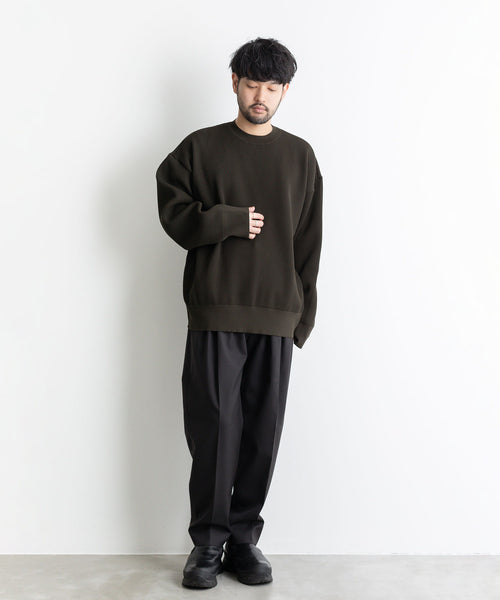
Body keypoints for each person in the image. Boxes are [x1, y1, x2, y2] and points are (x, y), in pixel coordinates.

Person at [155, 36, 323, 589]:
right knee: (215, 429)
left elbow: (309, 241)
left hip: (276, 314)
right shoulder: (199, 148)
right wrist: (226, 219)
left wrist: (303, 314)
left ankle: (244, 541)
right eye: (252, 84)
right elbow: (174, 212)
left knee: (261, 433)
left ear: (285, 91)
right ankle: (207, 543)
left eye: (272, 87)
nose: (261, 96)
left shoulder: (300, 156)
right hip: (216, 310)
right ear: (234, 83)